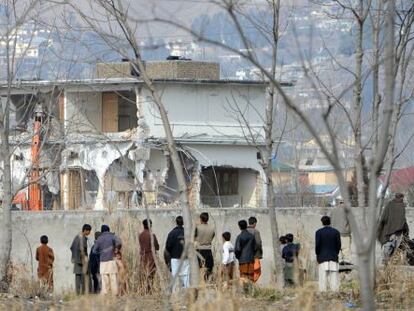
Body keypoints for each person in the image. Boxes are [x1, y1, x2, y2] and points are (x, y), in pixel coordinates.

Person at [377, 193, 409, 262]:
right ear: (401, 198)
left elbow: (383, 217)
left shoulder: (389, 204)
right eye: (402, 198)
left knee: (388, 245)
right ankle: (389, 262)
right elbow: (402, 220)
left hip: (388, 230)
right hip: (398, 232)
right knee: (394, 248)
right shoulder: (401, 206)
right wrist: (405, 229)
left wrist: (381, 227)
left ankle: (386, 261)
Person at [93, 224, 122, 295]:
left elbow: (94, 251)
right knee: (113, 277)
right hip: (112, 259)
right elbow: (119, 242)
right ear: (108, 230)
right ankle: (115, 293)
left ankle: (105, 293)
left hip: (103, 261)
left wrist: (101, 252)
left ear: (102, 231)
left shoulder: (99, 238)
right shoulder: (113, 236)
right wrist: (116, 250)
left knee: (104, 277)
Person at [315, 216, 341, 292]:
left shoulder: (318, 232)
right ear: (330, 222)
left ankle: (323, 291)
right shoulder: (336, 232)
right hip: (333, 256)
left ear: (322, 223)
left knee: (323, 276)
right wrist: (336, 253)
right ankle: (335, 291)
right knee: (334, 276)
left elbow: (317, 245)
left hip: (322, 257)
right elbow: (338, 245)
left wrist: (318, 255)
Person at [165, 216, 189, 291]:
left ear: (176, 222)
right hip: (185, 258)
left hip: (174, 258)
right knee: (186, 276)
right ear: (183, 222)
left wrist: (171, 254)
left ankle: (175, 294)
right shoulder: (187, 233)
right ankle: (188, 293)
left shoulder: (171, 233)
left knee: (175, 275)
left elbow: (168, 246)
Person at [139, 219, 160, 293]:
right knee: (151, 274)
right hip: (151, 256)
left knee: (144, 274)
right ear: (150, 225)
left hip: (143, 256)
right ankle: (149, 290)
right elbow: (157, 247)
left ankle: (143, 290)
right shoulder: (152, 235)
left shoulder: (140, 235)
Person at [70, 224, 92, 295]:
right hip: (82, 261)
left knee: (77, 277)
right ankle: (83, 293)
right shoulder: (82, 238)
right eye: (89, 231)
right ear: (85, 230)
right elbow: (83, 250)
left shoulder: (77, 237)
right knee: (83, 278)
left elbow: (71, 247)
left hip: (76, 260)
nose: (89, 233)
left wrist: (74, 257)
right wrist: (84, 258)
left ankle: (77, 293)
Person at [195, 212, 215, 281]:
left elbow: (193, 238)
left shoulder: (198, 228)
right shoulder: (212, 228)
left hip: (199, 250)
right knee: (209, 270)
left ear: (201, 219)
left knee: (200, 270)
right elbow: (212, 237)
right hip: (208, 250)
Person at [247, 216, 263, 283]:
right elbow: (258, 243)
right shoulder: (256, 232)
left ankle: (248, 284)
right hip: (254, 256)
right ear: (254, 223)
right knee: (257, 271)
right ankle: (251, 284)